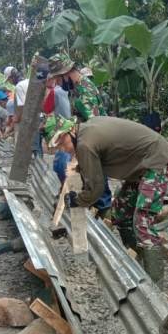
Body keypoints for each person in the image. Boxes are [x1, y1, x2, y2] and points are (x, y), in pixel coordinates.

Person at [46, 115, 168, 282]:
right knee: (120, 214)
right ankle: (137, 260)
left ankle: (155, 284)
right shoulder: (85, 131)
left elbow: (96, 189)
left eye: (62, 143)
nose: (63, 149)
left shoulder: (85, 144)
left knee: (142, 222)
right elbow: (90, 171)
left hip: (157, 161)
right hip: (143, 165)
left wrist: (78, 200)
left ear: (70, 132)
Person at [48, 53, 113, 214]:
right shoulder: (74, 89)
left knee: (96, 175)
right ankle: (92, 203)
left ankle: (103, 210)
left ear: (66, 74)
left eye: (58, 79)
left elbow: (94, 125)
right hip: (85, 136)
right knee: (65, 166)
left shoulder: (85, 90)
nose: (57, 83)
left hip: (95, 139)